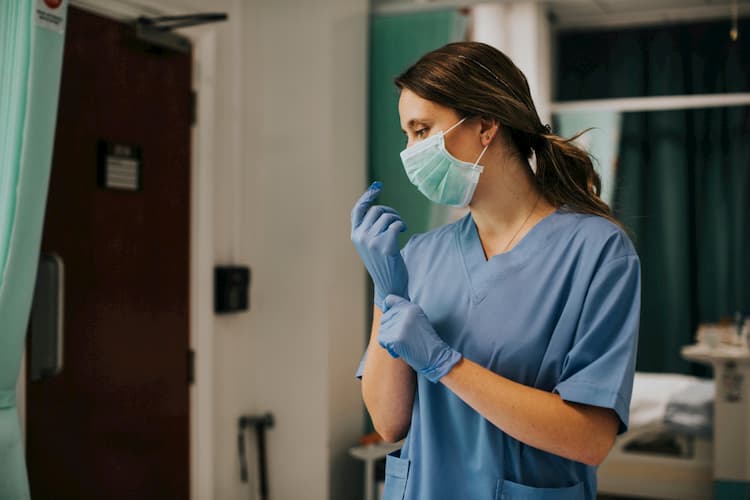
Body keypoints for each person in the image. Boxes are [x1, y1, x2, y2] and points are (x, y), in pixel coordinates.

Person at [350, 41, 641, 500]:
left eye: (422, 130)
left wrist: (445, 363)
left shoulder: (596, 251)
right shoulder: (418, 256)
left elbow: (590, 439)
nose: (410, 152)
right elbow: (389, 424)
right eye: (406, 134)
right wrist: (388, 291)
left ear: (485, 125)